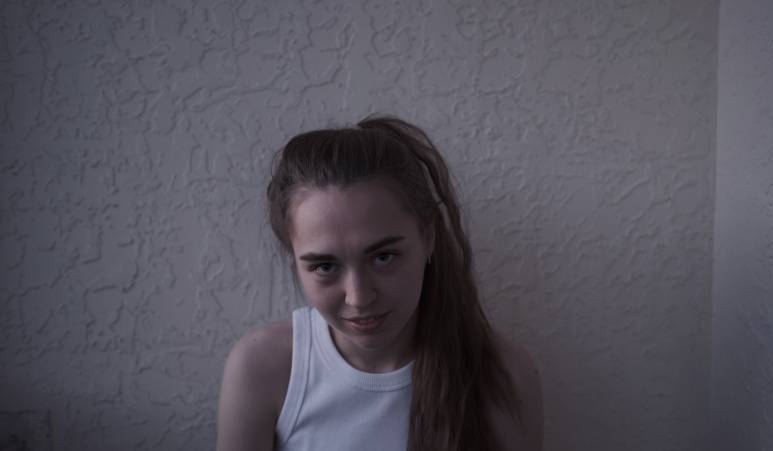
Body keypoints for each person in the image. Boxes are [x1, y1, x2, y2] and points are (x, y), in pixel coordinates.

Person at [216, 116, 543, 451]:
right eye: (325, 266)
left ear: (428, 237)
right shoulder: (263, 368)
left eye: (383, 257)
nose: (359, 298)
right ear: (295, 261)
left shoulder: (503, 377)